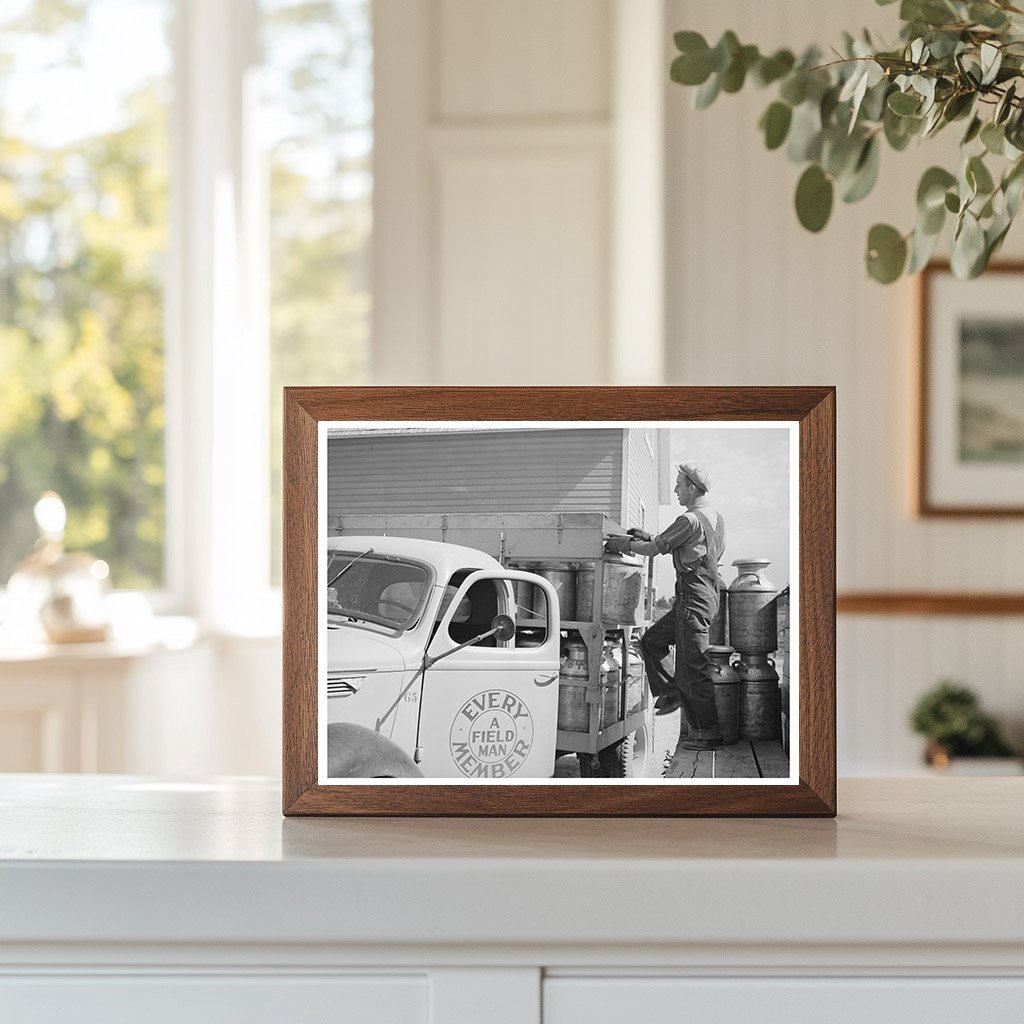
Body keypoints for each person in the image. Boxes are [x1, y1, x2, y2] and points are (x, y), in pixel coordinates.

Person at [606, 463, 727, 751]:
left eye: (679, 484)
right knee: (651, 640)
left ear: (693, 488)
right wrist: (649, 537)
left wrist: (623, 544)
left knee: (692, 668)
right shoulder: (716, 518)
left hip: (692, 598)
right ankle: (669, 691)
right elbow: (686, 546)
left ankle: (708, 732)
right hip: (706, 595)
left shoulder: (690, 520)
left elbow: (655, 550)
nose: (675, 489)